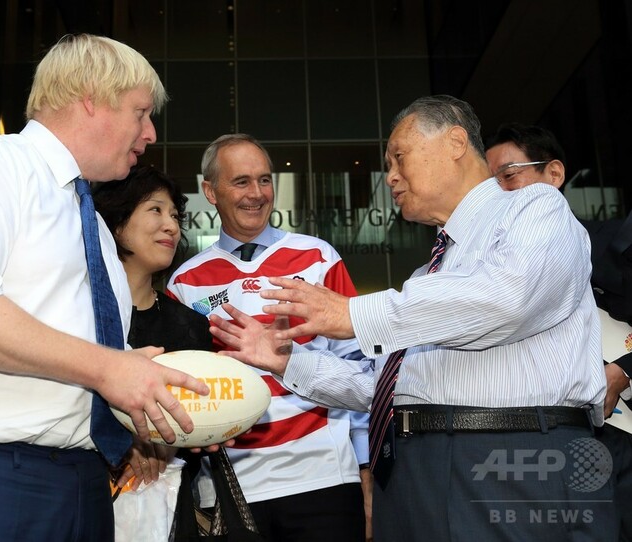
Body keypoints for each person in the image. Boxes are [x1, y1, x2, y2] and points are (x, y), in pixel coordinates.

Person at [208, 96, 613, 540]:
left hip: (511, 457)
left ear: (455, 142)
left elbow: (506, 298)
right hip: (417, 468)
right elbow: (386, 387)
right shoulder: (428, 276)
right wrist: (288, 362)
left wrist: (352, 313)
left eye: (399, 157)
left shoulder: (534, 207)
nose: (391, 177)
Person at [0, 34, 211, 542]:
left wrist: (161, 399)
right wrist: (111, 368)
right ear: (92, 98)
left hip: (84, 484)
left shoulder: (96, 232)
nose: (150, 132)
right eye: (141, 112)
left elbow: (85, 359)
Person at [166, 133, 370, 541]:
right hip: (231, 488)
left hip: (325, 477)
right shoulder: (184, 283)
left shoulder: (319, 257)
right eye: (241, 181)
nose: (256, 194)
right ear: (211, 191)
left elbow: (361, 367)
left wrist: (365, 468)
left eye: (264, 180)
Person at [485, 122, 632, 541]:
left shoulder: (614, 245)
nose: (498, 194)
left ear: (553, 174)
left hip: (618, 436)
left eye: (508, 176)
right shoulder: (481, 270)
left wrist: (623, 370)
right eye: (488, 185)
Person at [93, 164, 213, 487]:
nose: (171, 226)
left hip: (166, 500)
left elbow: (201, 422)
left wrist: (169, 443)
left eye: (174, 216)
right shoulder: (79, 315)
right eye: (156, 210)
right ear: (117, 223)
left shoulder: (191, 326)